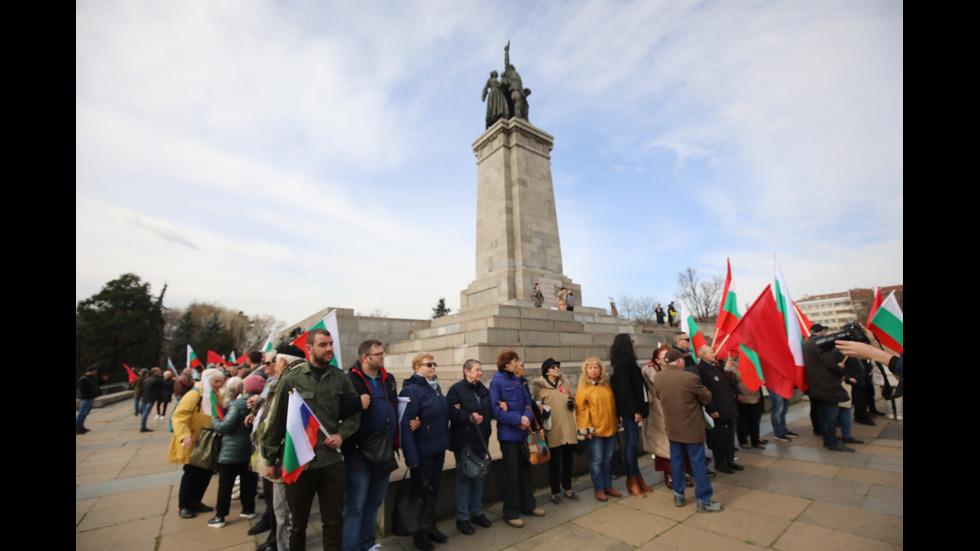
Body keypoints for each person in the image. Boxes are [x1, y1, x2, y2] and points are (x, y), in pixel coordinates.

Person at [261, 329, 361, 551]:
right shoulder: (291, 379)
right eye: (323, 344)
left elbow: (355, 413)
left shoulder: (340, 378)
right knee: (297, 525)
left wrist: (340, 435)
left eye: (331, 344)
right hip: (299, 461)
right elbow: (277, 420)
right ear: (308, 349)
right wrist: (270, 460)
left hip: (330, 461)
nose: (329, 349)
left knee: (333, 522)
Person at [343, 340, 400, 551]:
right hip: (359, 451)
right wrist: (357, 403)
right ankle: (350, 547)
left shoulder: (388, 379)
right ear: (365, 358)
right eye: (378, 354)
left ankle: (367, 543)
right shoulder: (350, 380)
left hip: (384, 450)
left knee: (375, 500)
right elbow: (338, 409)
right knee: (355, 506)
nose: (382, 357)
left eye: (383, 353)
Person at [655, 349, 723, 512]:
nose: (685, 362)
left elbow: (659, 396)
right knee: (698, 463)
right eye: (683, 360)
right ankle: (703, 499)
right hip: (691, 428)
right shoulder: (690, 378)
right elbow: (706, 397)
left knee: (676, 462)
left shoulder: (658, 377)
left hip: (672, 427)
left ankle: (679, 494)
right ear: (678, 362)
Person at [399, 353, 450, 551]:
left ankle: (431, 527)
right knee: (420, 492)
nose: (433, 367)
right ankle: (419, 534)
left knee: (433, 490)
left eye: (434, 363)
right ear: (417, 368)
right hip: (422, 451)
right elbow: (405, 424)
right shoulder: (412, 389)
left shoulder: (435, 388)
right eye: (429, 364)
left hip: (437, 448)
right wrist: (411, 456)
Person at [489, 350, 545, 528]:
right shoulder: (497, 382)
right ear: (506, 364)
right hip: (509, 436)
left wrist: (527, 417)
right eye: (515, 361)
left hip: (523, 433)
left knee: (525, 472)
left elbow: (527, 402)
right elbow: (495, 410)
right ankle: (511, 512)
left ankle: (528, 505)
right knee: (511, 474)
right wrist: (517, 419)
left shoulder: (517, 380)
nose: (518, 363)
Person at [207, 374, 265, 528]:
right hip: (252, 449)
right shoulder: (264, 401)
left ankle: (220, 515)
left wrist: (213, 421)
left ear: (245, 388)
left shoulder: (240, 403)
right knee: (249, 481)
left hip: (232, 450)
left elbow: (227, 426)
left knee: (226, 484)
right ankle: (248, 509)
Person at [168, 367, 226, 519]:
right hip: (195, 439)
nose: (219, 384)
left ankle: (196, 501)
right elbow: (180, 416)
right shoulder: (194, 394)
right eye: (216, 381)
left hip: (208, 439)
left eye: (221, 381)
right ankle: (184, 505)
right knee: (191, 473)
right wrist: (184, 435)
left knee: (205, 472)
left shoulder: (216, 395)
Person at [447, 359, 493, 535]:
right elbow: (450, 410)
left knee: (479, 477)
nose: (480, 372)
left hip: (481, 440)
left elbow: (488, 410)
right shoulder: (456, 389)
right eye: (476, 370)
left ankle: (477, 513)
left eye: (481, 369)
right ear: (466, 371)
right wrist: (467, 416)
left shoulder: (482, 389)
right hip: (464, 442)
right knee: (465, 478)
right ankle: (462, 518)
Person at [531, 358, 580, 505]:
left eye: (557, 367)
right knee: (554, 462)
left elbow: (572, 400)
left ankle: (568, 487)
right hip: (552, 428)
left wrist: (572, 404)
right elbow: (536, 405)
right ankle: (555, 491)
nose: (557, 369)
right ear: (546, 370)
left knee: (568, 459)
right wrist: (541, 412)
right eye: (553, 367)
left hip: (567, 427)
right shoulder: (539, 386)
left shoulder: (566, 383)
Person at [609, 334, 652, 497]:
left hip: (634, 409)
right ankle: (632, 479)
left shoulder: (628, 362)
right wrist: (635, 410)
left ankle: (638, 478)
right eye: (631, 341)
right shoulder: (621, 364)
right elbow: (625, 390)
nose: (633, 344)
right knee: (631, 445)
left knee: (633, 444)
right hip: (629, 411)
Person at [575, 357, 620, 502]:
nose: (593, 370)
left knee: (607, 459)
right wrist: (586, 429)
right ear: (586, 370)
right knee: (597, 460)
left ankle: (608, 486)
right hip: (595, 431)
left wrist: (616, 422)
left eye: (596, 367)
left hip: (610, 428)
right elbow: (581, 410)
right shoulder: (584, 386)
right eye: (590, 368)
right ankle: (599, 488)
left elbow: (612, 406)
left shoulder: (606, 385)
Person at [803, 325, 854, 452]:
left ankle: (828, 439)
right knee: (830, 415)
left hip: (817, 386)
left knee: (823, 414)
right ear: (821, 332)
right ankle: (831, 441)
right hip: (827, 386)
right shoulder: (820, 344)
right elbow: (830, 364)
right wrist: (839, 368)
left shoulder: (808, 344)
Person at [693, 346, 741, 474]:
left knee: (730, 435)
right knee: (719, 437)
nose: (714, 354)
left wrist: (728, 369)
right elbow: (705, 391)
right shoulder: (701, 369)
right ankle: (720, 462)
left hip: (727, 406)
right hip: (717, 409)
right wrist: (712, 408)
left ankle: (730, 460)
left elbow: (727, 381)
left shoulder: (717, 366)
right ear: (703, 355)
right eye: (711, 352)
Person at [641, 348, 675, 488]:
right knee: (664, 443)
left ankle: (680, 472)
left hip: (674, 408)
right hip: (658, 409)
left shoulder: (674, 369)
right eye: (663, 356)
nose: (666, 358)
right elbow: (660, 384)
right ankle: (670, 474)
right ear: (656, 359)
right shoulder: (649, 369)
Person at [731, 355, 766, 449]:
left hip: (754, 395)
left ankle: (755, 440)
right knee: (743, 421)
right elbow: (733, 381)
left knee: (754, 421)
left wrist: (758, 394)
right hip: (742, 397)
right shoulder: (733, 366)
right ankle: (743, 441)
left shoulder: (752, 363)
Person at [77, 365, 101, 434]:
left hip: (90, 398)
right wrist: (90, 395)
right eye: (95, 371)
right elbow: (83, 390)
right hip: (86, 399)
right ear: (92, 371)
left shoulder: (91, 378)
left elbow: (96, 384)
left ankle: (81, 427)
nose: (96, 372)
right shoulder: (84, 379)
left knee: (85, 413)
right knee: (82, 413)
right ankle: (77, 428)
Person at [140, 367, 163, 432]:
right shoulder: (156, 379)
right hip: (150, 398)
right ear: (155, 372)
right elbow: (164, 384)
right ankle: (143, 427)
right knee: (146, 413)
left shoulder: (147, 379)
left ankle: (143, 426)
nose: (160, 371)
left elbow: (142, 389)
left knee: (144, 412)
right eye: (159, 370)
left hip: (145, 398)